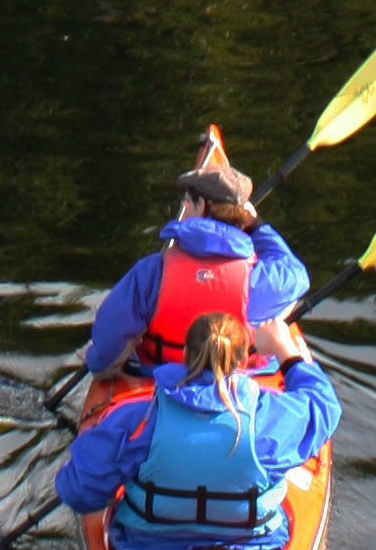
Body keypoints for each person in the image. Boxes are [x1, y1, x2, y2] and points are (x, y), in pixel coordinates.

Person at [53, 307, 341, 550]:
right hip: (252, 544)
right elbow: (324, 407)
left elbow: (77, 490)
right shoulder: (268, 419)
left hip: (145, 545)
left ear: (185, 356)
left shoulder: (138, 418)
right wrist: (285, 352)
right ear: (244, 363)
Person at [81, 125, 309, 381]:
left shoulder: (152, 272)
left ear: (200, 207)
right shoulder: (262, 280)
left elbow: (109, 338)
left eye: (188, 202)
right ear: (242, 217)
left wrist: (99, 366)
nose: (185, 208)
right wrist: (257, 224)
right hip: (237, 379)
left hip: (159, 378)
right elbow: (297, 273)